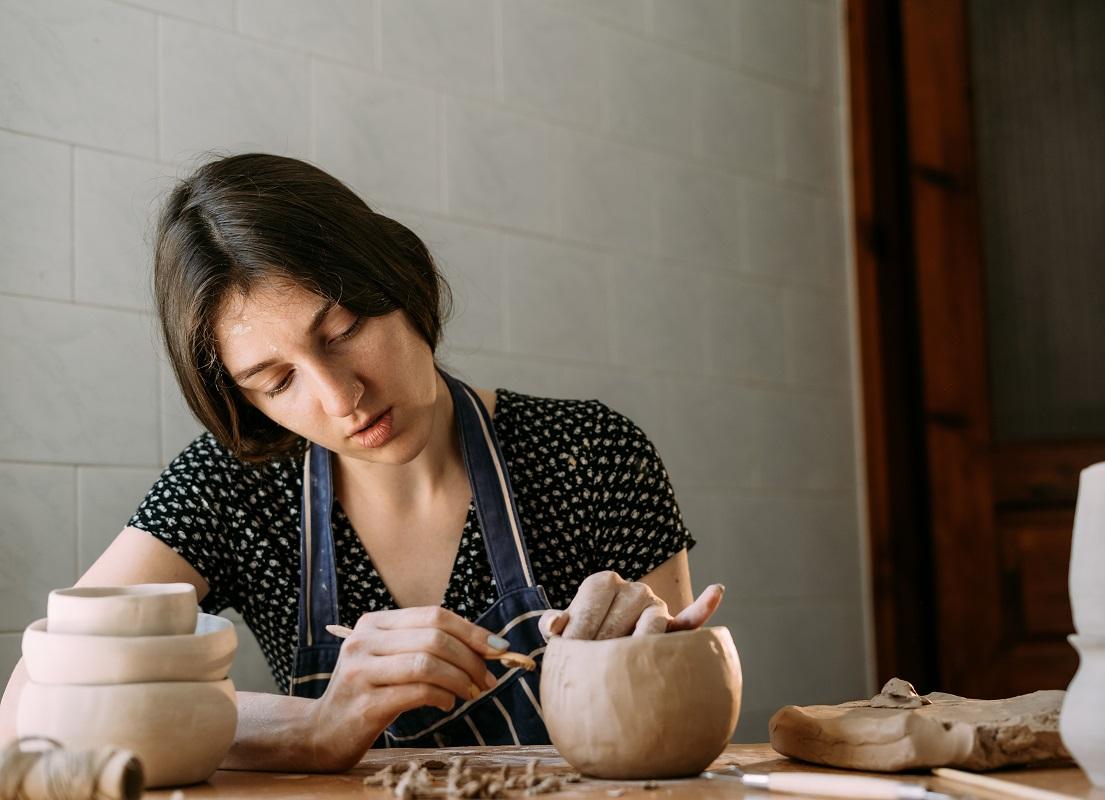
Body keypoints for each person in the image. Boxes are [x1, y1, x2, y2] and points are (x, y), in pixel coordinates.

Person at [0, 154, 723, 769]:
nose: (341, 398)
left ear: (399, 281)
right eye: (277, 382)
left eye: (343, 331)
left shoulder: (593, 453)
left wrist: (659, 655)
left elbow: (677, 729)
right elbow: (31, 705)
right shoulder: (231, 486)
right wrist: (311, 728)